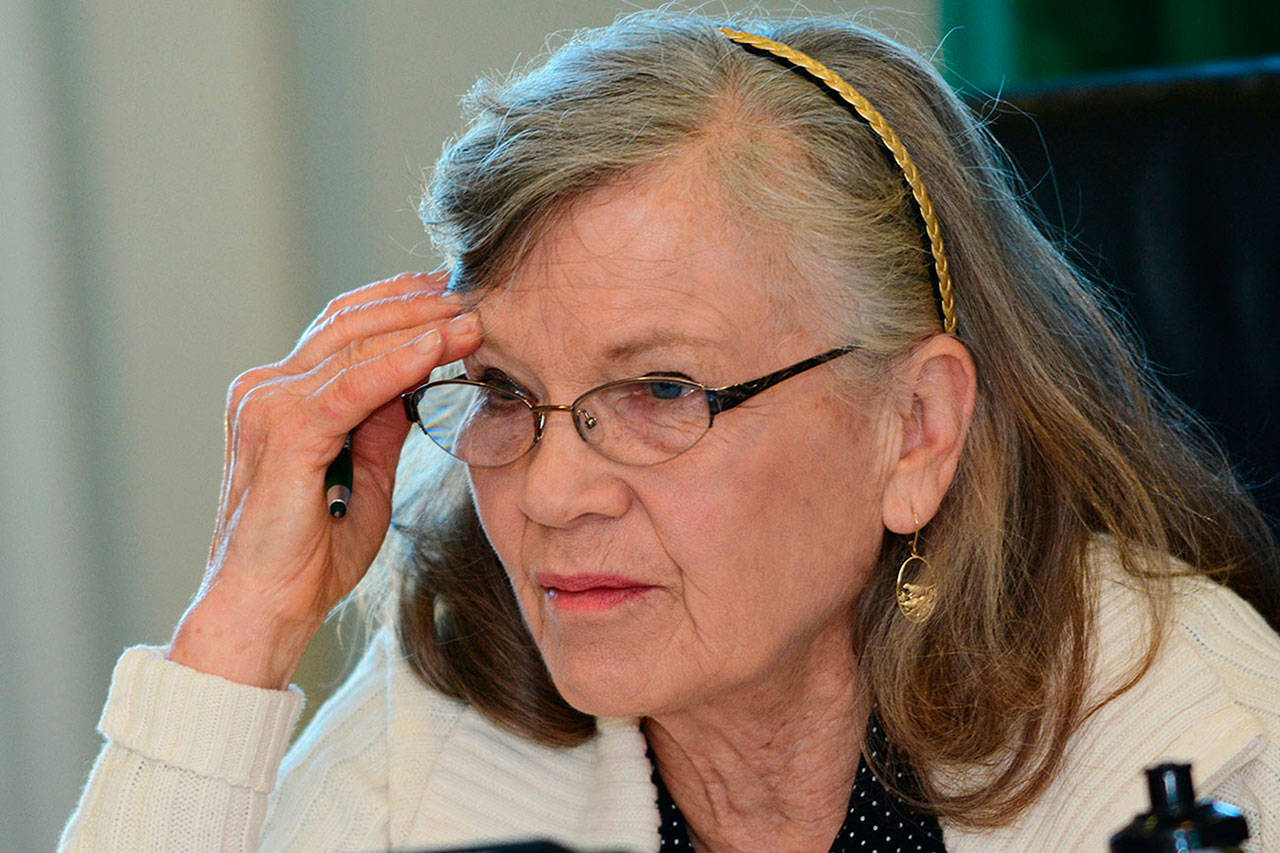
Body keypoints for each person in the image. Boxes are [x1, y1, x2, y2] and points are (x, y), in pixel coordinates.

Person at [61, 10, 1280, 852]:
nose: (549, 495)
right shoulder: (448, 695)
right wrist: (239, 630)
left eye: (657, 393)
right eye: (499, 391)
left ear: (911, 430)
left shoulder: (1190, 727)